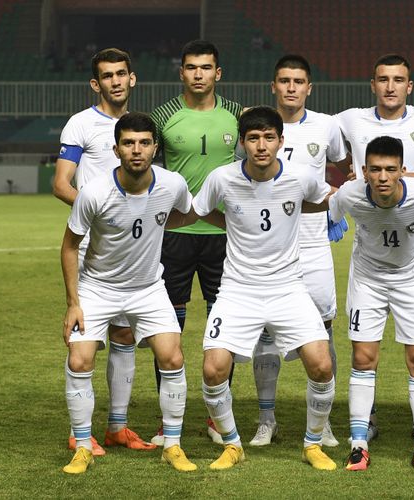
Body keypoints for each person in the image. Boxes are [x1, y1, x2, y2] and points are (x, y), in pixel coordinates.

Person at [193, 106, 338, 471]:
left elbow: (325, 197)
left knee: (322, 366)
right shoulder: (222, 179)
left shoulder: (300, 177)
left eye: (269, 137)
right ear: (242, 143)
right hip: (238, 290)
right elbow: (200, 209)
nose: (261, 145)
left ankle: (313, 444)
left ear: (280, 141)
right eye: (253, 138)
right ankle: (231, 445)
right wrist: (228, 219)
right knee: (213, 370)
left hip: (289, 288)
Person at [60, 112, 197, 474]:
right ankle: (83, 446)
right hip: (97, 287)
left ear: (155, 147)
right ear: (116, 148)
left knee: (172, 357)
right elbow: (70, 247)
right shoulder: (94, 193)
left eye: (144, 143)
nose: (137, 150)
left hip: (148, 288)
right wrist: (74, 304)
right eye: (128, 143)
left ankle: (173, 445)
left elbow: (184, 213)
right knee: (79, 360)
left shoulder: (172, 184)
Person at [336, 53, 414, 443]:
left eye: (398, 79)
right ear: (373, 84)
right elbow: (303, 129)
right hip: (370, 252)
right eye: (382, 79)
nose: (390, 86)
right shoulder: (350, 120)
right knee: (365, 354)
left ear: (409, 86)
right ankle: (365, 422)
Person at [53, 48, 154, 456]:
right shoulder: (81, 124)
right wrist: (97, 216)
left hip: (132, 251)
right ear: (96, 84)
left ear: (133, 79)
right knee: (86, 343)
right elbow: (62, 183)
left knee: (125, 334)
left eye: (121, 74)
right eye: (106, 76)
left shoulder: (137, 128)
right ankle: (80, 432)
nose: (115, 81)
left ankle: (117, 427)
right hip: (94, 249)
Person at [248, 54, 350, 448]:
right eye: (284, 81)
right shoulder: (256, 126)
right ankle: (266, 419)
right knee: (265, 332)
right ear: (273, 86)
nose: (291, 87)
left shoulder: (327, 126)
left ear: (310, 87)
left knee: (322, 331)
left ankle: (321, 423)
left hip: (311, 244)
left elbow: (345, 163)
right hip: (266, 248)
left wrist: (335, 203)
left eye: (299, 81)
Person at [150, 39, 243, 445]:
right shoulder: (162, 116)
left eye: (206, 67)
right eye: (191, 67)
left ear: (217, 73)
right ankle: (168, 416)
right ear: (182, 72)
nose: (199, 74)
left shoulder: (239, 117)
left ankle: (215, 417)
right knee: (168, 325)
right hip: (174, 236)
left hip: (225, 237)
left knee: (225, 326)